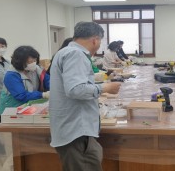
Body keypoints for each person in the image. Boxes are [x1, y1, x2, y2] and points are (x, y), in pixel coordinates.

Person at [49, 21, 121, 171]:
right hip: (76, 131)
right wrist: (105, 87)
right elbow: (76, 89)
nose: (99, 45)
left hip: (73, 128)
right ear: (95, 39)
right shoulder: (76, 54)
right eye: (100, 41)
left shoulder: (64, 52)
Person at [0, 46, 50, 114]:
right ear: (20, 62)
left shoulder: (36, 69)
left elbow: (48, 80)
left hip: (30, 107)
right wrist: (43, 95)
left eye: (35, 60)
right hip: (12, 109)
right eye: (30, 62)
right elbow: (21, 96)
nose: (33, 63)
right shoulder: (11, 75)